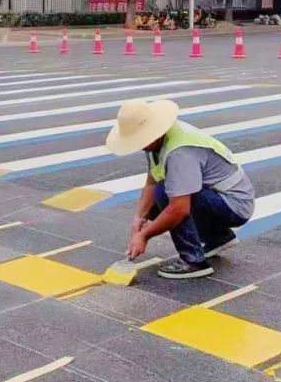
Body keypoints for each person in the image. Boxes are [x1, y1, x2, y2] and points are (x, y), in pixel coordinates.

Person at [105, 99, 255, 279]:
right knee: (160, 192)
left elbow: (179, 209)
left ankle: (193, 261)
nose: (139, 146)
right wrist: (139, 217)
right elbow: (152, 181)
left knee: (166, 194)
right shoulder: (159, 140)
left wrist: (144, 236)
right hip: (215, 196)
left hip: (234, 205)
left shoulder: (180, 151)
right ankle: (218, 238)